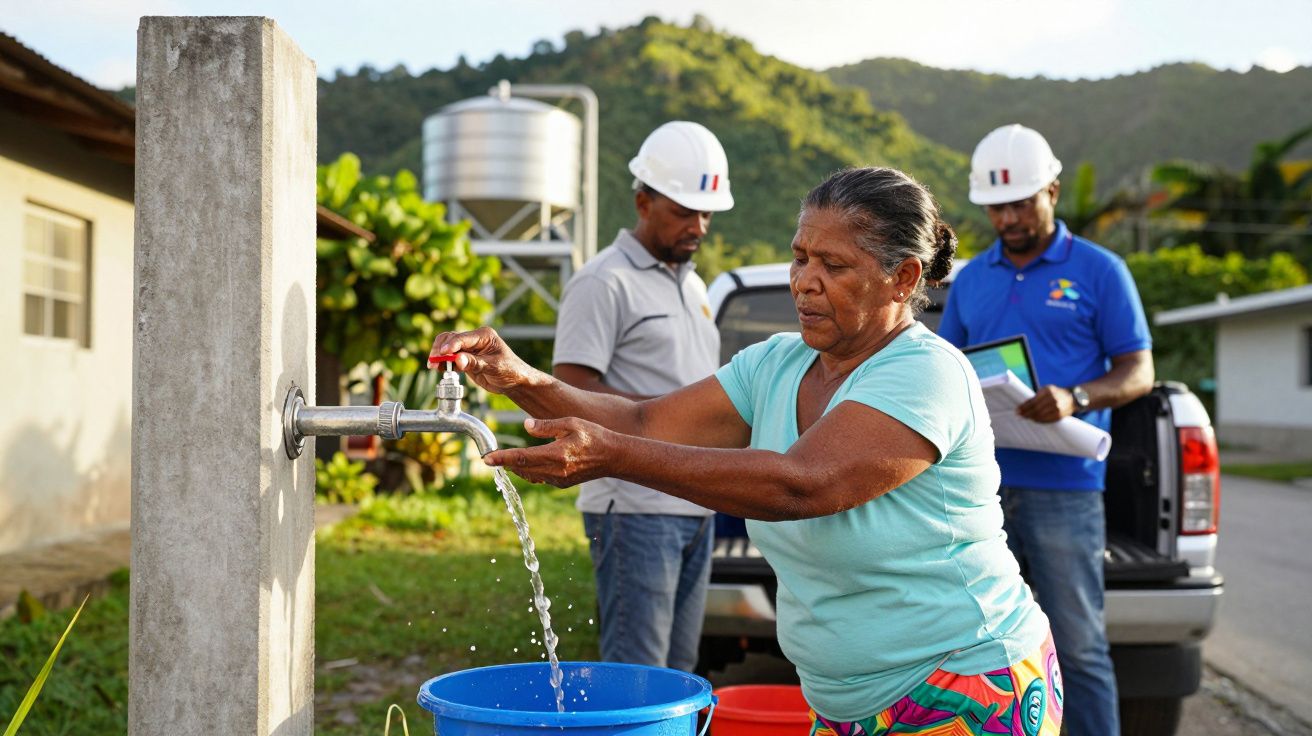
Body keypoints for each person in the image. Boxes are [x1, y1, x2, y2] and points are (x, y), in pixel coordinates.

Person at [431, 167, 1064, 735]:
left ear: (902, 278)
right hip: (844, 700)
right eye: (799, 257)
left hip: (967, 686)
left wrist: (612, 456)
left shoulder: (926, 372)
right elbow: (647, 420)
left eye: (833, 267)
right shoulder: (776, 364)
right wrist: (522, 380)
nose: (805, 284)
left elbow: (802, 485)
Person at [938, 124, 1155, 736]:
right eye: (995, 206)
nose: (1007, 217)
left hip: (1067, 486)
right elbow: (947, 366)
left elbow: (1138, 369)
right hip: (983, 491)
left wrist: (1076, 396)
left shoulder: (1100, 270)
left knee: (1078, 646)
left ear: (1052, 192)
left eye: (1020, 203)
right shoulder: (973, 279)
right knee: (981, 647)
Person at [548, 121, 734, 671]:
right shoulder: (603, 282)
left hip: (695, 500)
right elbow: (570, 390)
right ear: (643, 201)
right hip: (633, 508)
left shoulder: (695, 286)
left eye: (706, 213)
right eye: (683, 211)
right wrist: (664, 420)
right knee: (638, 675)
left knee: (678, 677)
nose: (697, 226)